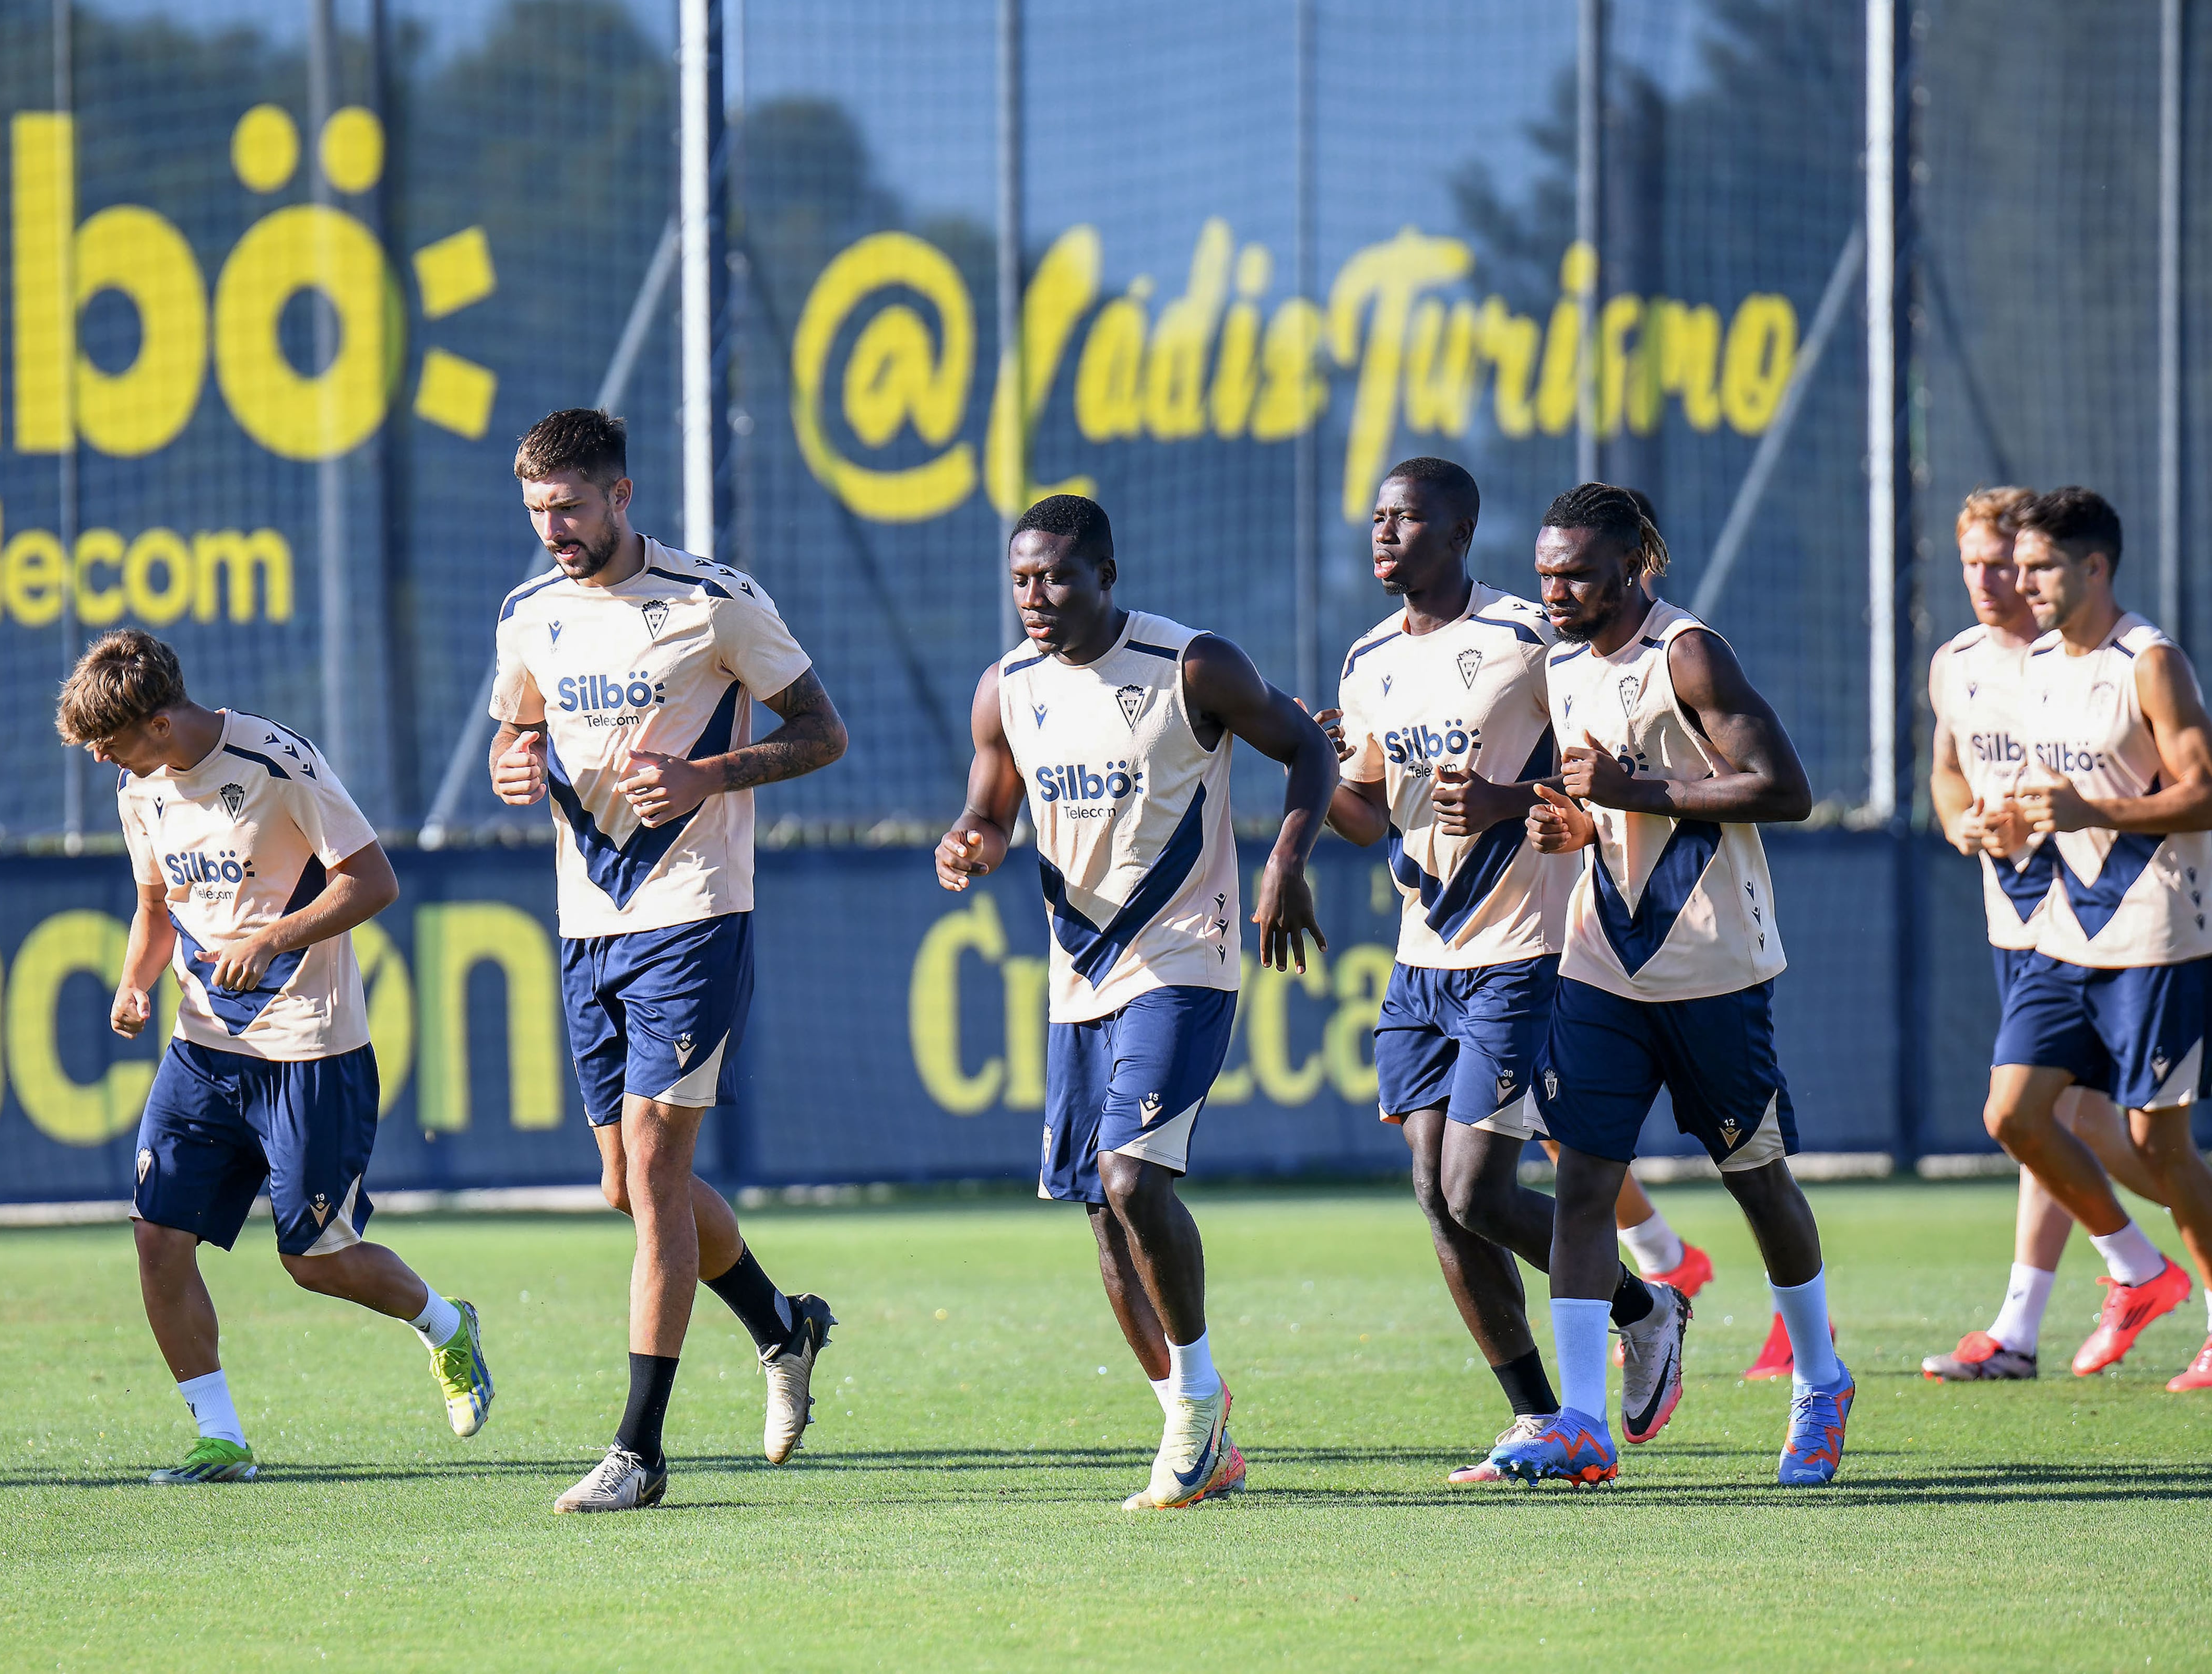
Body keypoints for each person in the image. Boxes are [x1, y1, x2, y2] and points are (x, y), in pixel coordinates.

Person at [936, 492, 1336, 1509]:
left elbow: (1309, 748)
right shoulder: (1005, 688)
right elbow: (990, 805)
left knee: (1130, 1177)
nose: (1037, 595)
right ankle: (1190, 1423)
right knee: (1103, 1216)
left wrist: (1287, 861)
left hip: (1182, 959)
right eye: (1022, 578)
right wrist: (971, 841)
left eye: (1059, 576)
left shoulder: (1191, 664)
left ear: (1107, 577)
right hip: (1078, 979)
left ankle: (1198, 1407)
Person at [490, 408, 848, 1513]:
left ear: (621, 495)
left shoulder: (713, 601)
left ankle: (637, 1452)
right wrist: (514, 760)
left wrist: (710, 776)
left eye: (571, 507)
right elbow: (517, 731)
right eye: (538, 509)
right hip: (585, 918)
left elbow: (822, 731)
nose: (555, 528)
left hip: (693, 909)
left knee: (653, 1174)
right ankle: (781, 1324)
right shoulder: (528, 613)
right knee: (631, 1187)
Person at [1315, 459, 1689, 1486]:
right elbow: (1364, 812)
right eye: (1378, 517)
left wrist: (1503, 798)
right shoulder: (1366, 659)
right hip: (1421, 956)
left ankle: (1645, 1303)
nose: (1386, 534)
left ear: (1462, 528)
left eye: (1410, 518)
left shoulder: (1527, 637)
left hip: (1526, 949)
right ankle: (1539, 1421)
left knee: (1477, 1187)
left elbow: (1595, 772)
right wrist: (1315, 776)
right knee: (1439, 1201)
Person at [62, 629, 493, 1484]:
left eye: (108, 740)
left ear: (157, 723)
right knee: (156, 1236)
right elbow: (158, 904)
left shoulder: (275, 762)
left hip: (310, 1044)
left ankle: (446, 1326)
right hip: (203, 1046)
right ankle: (220, 1437)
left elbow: (372, 880)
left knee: (313, 1258)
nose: (100, 757)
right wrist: (134, 982)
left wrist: (274, 936)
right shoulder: (134, 787)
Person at [1495, 484, 1849, 1488]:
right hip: (1602, 963)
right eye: (1545, 572)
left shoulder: (1686, 651)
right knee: (1580, 1187)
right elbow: (1596, 801)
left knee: (1756, 1179)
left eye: (1575, 572)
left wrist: (1631, 793)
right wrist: (1573, 820)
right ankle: (1578, 1419)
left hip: (1713, 969)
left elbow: (1785, 789)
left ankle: (1821, 1381)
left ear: (1631, 566)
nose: (1555, 590)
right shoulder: (1561, 662)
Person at [1922, 487, 2171, 1382]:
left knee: (2078, 1126)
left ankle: (2097, 1290)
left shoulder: (2090, 661)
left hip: (2098, 912)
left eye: (2008, 563)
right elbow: (1949, 772)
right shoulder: (1956, 662)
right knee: (2066, 1126)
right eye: (1976, 566)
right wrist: (1963, 825)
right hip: (2014, 913)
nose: (1993, 582)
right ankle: (2055, 1313)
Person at [1983, 487, 2212, 1391]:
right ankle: (2135, 1266)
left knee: (2158, 1145)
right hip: (2064, 929)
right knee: (2013, 1114)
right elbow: (2056, 779)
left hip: (2157, 931)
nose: (2020, 580)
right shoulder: (2040, 660)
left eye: (2039, 565)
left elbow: (2201, 790)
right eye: (2018, 563)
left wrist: (2093, 808)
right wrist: (2019, 819)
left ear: (2095, 567)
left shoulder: (2149, 660)